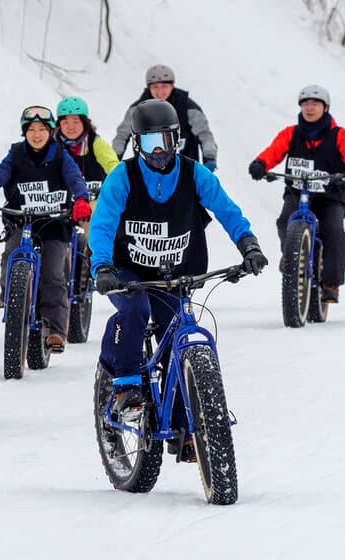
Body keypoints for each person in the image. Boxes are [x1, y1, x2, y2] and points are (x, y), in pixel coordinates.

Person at [89, 99, 267, 461]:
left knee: (177, 334)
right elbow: (103, 223)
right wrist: (103, 266)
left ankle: (182, 425)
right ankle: (123, 386)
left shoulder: (194, 174)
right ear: (137, 144)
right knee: (135, 311)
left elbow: (226, 210)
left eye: (165, 142)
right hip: (129, 271)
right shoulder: (122, 177)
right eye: (150, 143)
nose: (159, 151)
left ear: (177, 141)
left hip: (178, 271)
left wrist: (248, 245)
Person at [0, 105, 91, 352]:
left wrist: (80, 199)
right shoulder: (16, 154)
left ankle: (56, 330)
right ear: (24, 132)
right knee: (10, 256)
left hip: (54, 221)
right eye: (31, 130)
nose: (36, 134)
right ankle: (11, 294)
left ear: (50, 131)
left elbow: (74, 179)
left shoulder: (59, 154)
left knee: (53, 274)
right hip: (22, 219)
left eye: (42, 129)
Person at [247, 84, 345, 303]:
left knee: (334, 231)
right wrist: (260, 164)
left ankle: (331, 283)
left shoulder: (339, 135)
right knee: (285, 220)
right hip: (297, 191)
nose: (309, 108)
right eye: (305, 104)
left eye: (315, 104)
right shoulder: (291, 134)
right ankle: (292, 256)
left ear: (325, 107)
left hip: (329, 195)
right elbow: (273, 152)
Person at [111, 64, 217, 170]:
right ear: (149, 88)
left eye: (164, 86)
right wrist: (114, 159)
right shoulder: (137, 110)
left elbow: (205, 135)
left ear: (172, 86)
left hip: (184, 171)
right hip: (147, 172)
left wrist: (209, 157)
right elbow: (122, 136)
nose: (160, 92)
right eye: (155, 87)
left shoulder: (189, 108)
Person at [55, 96, 119, 198]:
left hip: (95, 200)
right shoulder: (54, 147)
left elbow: (113, 166)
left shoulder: (96, 143)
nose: (70, 127)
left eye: (76, 121)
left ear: (84, 123)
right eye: (65, 122)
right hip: (65, 204)